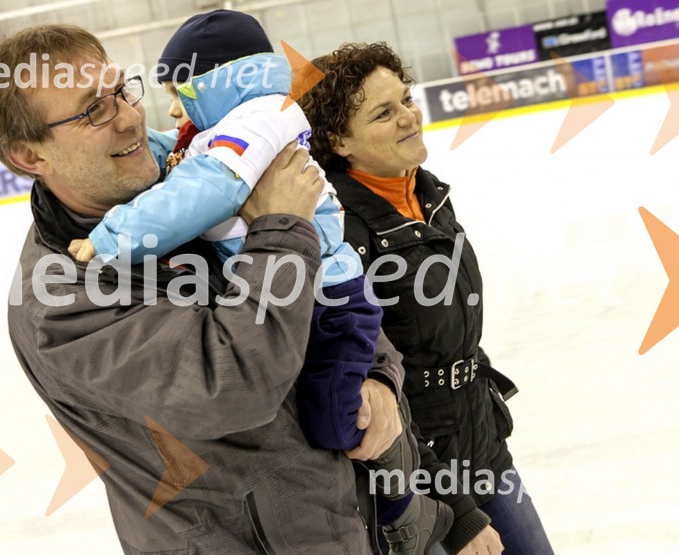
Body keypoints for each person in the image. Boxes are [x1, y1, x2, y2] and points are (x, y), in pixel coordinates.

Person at [0, 24, 411, 554]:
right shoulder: (60, 304)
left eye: (121, 90)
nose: (130, 117)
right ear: (28, 156)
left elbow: (332, 283)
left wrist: (378, 376)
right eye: (93, 110)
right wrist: (280, 229)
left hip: (360, 528)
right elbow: (235, 386)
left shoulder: (185, 179)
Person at [67, 11, 451, 554]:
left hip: (330, 301)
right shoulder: (236, 124)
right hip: (313, 294)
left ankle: (404, 507)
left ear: (216, 84)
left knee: (338, 423)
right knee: (332, 411)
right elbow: (175, 154)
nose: (172, 111)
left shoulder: (256, 126)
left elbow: (204, 191)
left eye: (181, 95)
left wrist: (114, 236)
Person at [300, 42, 556, 555]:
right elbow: (371, 391)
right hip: (418, 482)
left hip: (483, 450)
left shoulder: (428, 194)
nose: (408, 117)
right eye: (383, 113)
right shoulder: (340, 234)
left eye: (406, 99)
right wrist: (457, 512)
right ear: (338, 141)